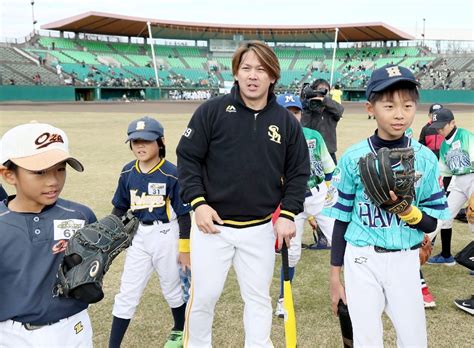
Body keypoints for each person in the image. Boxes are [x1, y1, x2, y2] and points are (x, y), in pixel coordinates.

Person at [176, 41, 310, 347]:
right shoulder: (212, 111)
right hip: (212, 228)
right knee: (203, 300)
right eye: (246, 68)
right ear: (236, 73)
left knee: (258, 300)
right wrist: (197, 203)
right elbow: (188, 158)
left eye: (261, 69)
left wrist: (288, 213)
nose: (253, 76)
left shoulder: (286, 122)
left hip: (260, 229)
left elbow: (298, 172)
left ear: (273, 76)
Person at [325, 64, 449, 347]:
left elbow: (431, 223)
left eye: (407, 105)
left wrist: (407, 212)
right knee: (367, 339)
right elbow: (341, 220)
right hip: (361, 259)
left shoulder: (425, 159)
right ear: (371, 108)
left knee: (414, 339)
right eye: (389, 105)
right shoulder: (353, 157)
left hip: (406, 258)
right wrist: (335, 277)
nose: (399, 113)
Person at [0, 122, 97, 347]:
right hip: (11, 334)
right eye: (39, 172)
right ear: (9, 175)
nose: (53, 180)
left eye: (60, 168)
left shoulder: (81, 215)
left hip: (73, 328)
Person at [108, 116, 191, 348]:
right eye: (135, 142)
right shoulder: (127, 172)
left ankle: (179, 329)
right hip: (139, 237)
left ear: (161, 142)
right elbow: (120, 207)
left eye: (146, 140)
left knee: (172, 288)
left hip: (166, 235)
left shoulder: (172, 173)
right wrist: (109, 234)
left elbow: (184, 215)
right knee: (127, 291)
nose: (140, 146)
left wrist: (185, 249)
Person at [273, 93, 336, 318]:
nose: (292, 116)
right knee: (292, 253)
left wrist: (331, 191)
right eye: (287, 112)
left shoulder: (313, 136)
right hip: (292, 201)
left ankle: (355, 292)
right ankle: (284, 299)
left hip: (319, 195)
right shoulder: (271, 139)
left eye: (296, 112)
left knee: (341, 241)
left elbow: (329, 168)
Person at [427, 108, 474, 265]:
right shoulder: (444, 146)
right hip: (458, 182)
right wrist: (442, 194)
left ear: (452, 122)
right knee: (444, 216)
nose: (439, 130)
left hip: (472, 178)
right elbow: (445, 173)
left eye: (442, 126)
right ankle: (441, 254)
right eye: (437, 127)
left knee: (472, 220)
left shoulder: (465, 136)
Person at [301, 78, 344, 164]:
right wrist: (308, 106)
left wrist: (324, 100)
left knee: (332, 176)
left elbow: (340, 110)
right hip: (313, 152)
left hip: (329, 151)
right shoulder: (310, 108)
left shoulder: (332, 110)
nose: (322, 92)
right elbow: (304, 126)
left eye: (325, 90)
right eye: (319, 90)